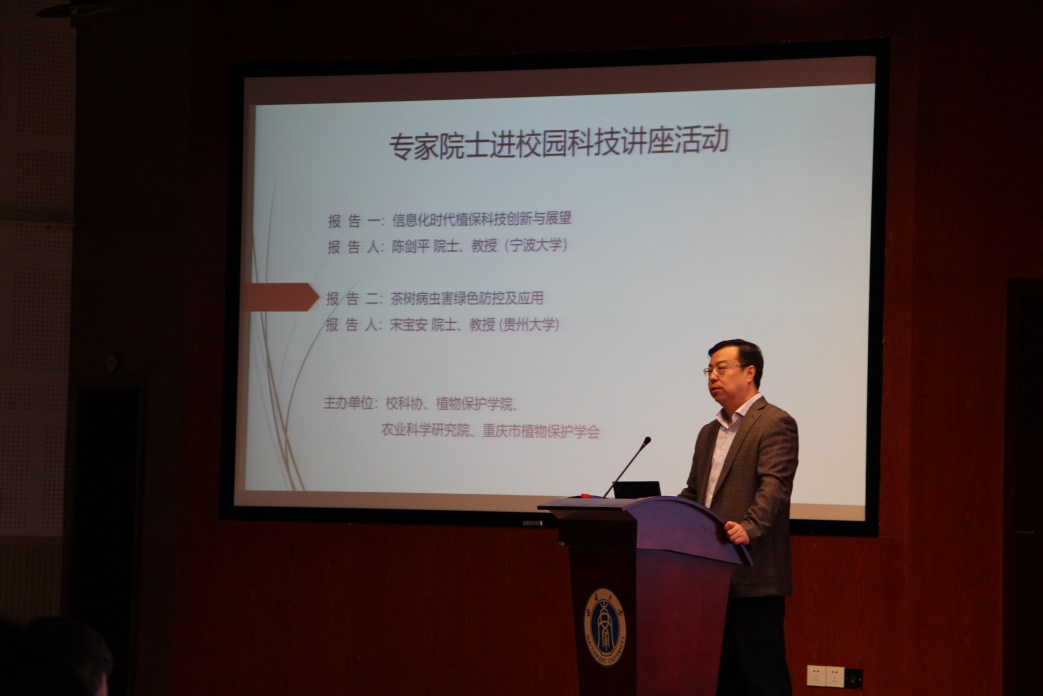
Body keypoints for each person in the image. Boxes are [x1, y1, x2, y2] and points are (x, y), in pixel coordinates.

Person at [679, 339, 798, 696]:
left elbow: (774, 485)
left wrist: (750, 528)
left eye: (721, 368)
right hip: (710, 576)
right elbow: (695, 493)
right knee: (720, 680)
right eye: (709, 370)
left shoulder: (775, 422)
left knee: (763, 680)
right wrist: (661, 515)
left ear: (750, 372)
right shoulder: (708, 432)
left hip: (753, 573)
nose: (712, 377)